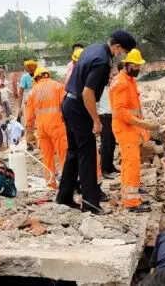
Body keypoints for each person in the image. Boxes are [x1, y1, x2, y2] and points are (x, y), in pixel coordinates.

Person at [56, 29, 136, 215]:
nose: (120, 56)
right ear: (116, 46)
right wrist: (96, 121)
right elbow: (87, 92)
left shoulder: (92, 49)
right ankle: (91, 203)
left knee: (74, 151)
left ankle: (65, 196)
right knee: (88, 153)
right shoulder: (101, 61)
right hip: (79, 106)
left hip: (68, 103)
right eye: (122, 51)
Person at [109, 49, 160, 213]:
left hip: (130, 128)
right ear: (129, 65)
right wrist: (146, 125)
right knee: (131, 164)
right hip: (125, 128)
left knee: (129, 163)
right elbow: (122, 112)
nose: (139, 69)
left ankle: (129, 194)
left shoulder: (129, 80)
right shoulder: (122, 83)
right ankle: (131, 202)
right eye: (137, 66)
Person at [24, 67, 67, 189]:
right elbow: (65, 106)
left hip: (42, 127)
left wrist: (29, 131)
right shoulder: (58, 86)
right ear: (47, 75)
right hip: (57, 125)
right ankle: (66, 183)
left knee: (47, 156)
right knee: (63, 155)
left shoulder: (32, 91)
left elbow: (30, 113)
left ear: (37, 78)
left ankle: (51, 183)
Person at [97, 63, 119, 179]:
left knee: (111, 142)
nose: (111, 77)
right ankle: (104, 169)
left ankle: (110, 166)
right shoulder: (98, 87)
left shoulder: (110, 87)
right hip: (103, 116)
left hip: (112, 116)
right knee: (105, 143)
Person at [19, 60, 38, 148]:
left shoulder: (39, 75)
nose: (30, 71)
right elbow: (21, 92)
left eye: (32, 70)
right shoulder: (24, 77)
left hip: (39, 102)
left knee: (40, 122)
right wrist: (19, 107)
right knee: (30, 122)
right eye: (28, 70)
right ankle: (30, 143)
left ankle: (42, 142)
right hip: (29, 103)